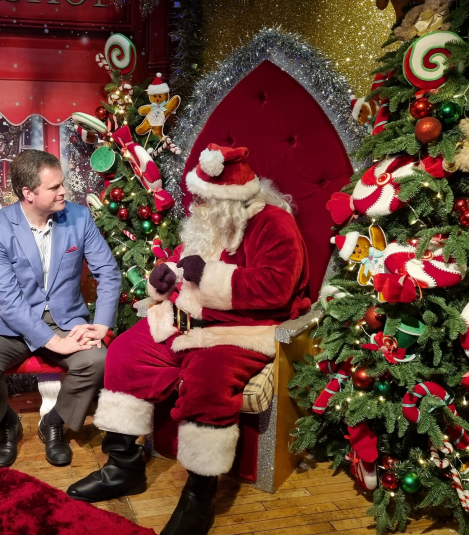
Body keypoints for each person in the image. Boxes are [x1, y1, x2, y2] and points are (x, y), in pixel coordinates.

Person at [67, 144, 311, 535]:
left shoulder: (273, 224)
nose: (197, 203)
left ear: (232, 199)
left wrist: (208, 277)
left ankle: (199, 497)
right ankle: (122, 466)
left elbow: (277, 288)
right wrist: (165, 277)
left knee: (208, 383)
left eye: (205, 198)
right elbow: (184, 264)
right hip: (183, 320)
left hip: (239, 331)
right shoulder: (209, 222)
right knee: (126, 353)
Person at [0, 149, 120, 468]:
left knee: (97, 360)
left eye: (62, 184)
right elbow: (7, 300)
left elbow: (108, 272)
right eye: (54, 187)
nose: (64, 191)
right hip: (12, 322)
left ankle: (54, 423)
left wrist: (102, 325)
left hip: (67, 318)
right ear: (29, 193)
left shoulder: (79, 217)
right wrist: (53, 342)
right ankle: (8, 423)